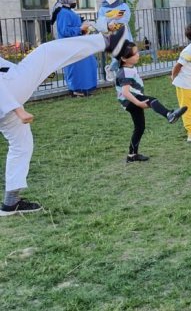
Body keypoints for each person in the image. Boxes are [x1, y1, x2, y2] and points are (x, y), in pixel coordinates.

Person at [0, 28, 127, 216]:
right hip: (9, 98)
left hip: (9, 97)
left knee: (21, 145)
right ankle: (107, 42)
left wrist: (37, 75)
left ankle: (11, 202)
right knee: (46, 52)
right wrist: (17, 108)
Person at [115, 41, 187, 163]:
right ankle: (169, 114)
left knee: (140, 127)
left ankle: (132, 155)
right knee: (152, 100)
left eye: (137, 52)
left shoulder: (128, 68)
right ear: (123, 58)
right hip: (131, 100)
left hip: (132, 100)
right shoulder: (125, 72)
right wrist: (138, 103)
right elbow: (126, 93)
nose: (138, 55)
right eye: (134, 53)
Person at [52, 0, 98, 97]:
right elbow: (65, 31)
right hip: (71, 45)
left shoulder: (67, 11)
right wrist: (81, 28)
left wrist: (83, 25)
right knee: (76, 68)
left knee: (88, 63)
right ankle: (77, 90)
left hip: (77, 43)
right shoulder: (63, 13)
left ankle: (84, 88)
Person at [97, 0, 133, 79]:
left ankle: (118, 72)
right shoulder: (102, 8)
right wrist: (111, 20)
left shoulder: (124, 6)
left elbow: (126, 18)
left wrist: (113, 20)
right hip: (112, 34)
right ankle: (116, 73)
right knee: (117, 54)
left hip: (124, 33)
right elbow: (101, 21)